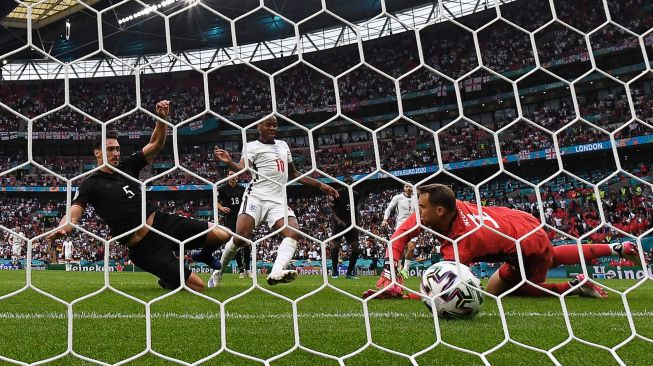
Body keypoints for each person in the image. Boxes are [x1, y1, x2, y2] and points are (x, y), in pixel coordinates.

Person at [48, 101, 230, 292]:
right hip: (144, 247)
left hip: (162, 224)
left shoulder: (128, 167)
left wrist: (162, 118)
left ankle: (204, 255)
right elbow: (74, 211)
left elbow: (156, 144)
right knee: (197, 286)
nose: (116, 153)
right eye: (110, 149)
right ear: (98, 153)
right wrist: (63, 228)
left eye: (117, 149)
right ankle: (169, 278)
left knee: (222, 234)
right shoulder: (90, 184)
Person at [363, 184, 642, 299]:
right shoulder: (449, 207)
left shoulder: (464, 243)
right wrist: (390, 276)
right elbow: (399, 236)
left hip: (526, 245)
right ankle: (618, 247)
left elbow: (444, 292)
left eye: (420, 207)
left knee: (510, 291)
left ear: (439, 212)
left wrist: (403, 293)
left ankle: (575, 285)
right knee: (553, 255)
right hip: (517, 220)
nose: (417, 213)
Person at [209, 115, 338, 287]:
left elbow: (294, 174)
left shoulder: (283, 146)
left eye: (275, 125)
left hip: (278, 200)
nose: (272, 128)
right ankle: (218, 271)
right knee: (240, 238)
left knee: (293, 232)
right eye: (268, 125)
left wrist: (320, 185)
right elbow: (241, 168)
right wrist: (229, 162)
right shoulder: (252, 147)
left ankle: (276, 271)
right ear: (259, 127)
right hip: (256, 197)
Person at [217, 171, 249, 278]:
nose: (233, 177)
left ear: (238, 177)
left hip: (242, 218)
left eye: (235, 174)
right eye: (231, 175)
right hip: (229, 219)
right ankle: (241, 270)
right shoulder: (222, 189)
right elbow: (215, 201)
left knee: (246, 243)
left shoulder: (242, 189)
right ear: (227, 176)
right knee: (236, 244)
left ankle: (248, 269)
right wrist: (221, 208)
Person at [381, 182, 416, 277]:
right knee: (400, 248)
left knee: (411, 247)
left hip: (413, 225)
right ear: (404, 188)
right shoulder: (398, 197)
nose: (409, 188)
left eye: (410, 187)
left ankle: (405, 270)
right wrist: (385, 220)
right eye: (407, 186)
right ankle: (399, 267)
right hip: (401, 225)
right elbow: (389, 209)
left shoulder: (416, 198)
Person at [329, 175, 361, 279]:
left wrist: (356, 223)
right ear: (342, 182)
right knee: (335, 247)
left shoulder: (356, 194)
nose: (347, 183)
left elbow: (355, 210)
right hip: (339, 223)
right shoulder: (337, 193)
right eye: (346, 181)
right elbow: (331, 208)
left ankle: (349, 273)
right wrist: (338, 220)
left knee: (356, 247)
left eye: (349, 181)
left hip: (351, 224)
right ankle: (334, 272)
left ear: (352, 182)